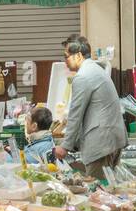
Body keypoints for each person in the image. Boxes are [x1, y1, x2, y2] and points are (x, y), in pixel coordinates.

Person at [54, 37, 127, 178]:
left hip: (101, 143)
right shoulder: (96, 70)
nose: (65, 61)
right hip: (111, 139)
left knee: (97, 191)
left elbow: (76, 114)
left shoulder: (82, 77)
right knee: (109, 191)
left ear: (79, 55)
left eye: (66, 57)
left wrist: (65, 147)